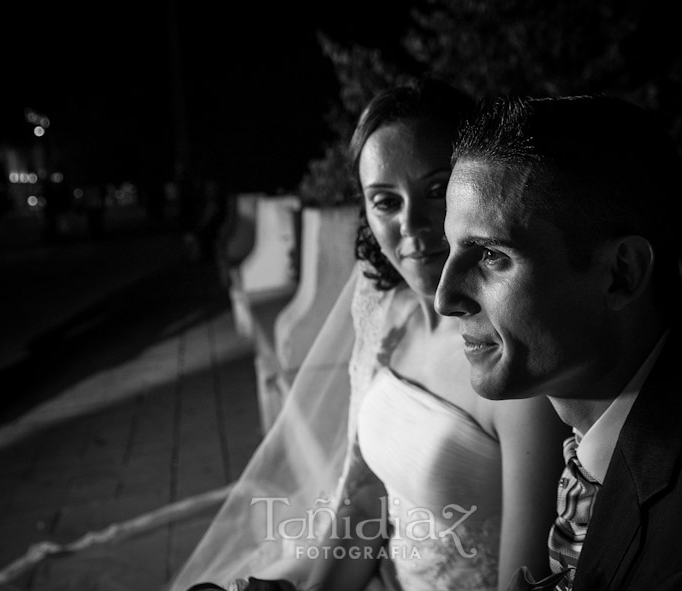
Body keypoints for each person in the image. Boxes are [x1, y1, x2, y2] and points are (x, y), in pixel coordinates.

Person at [166, 79, 568, 591]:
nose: (412, 224)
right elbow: (365, 498)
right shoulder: (390, 318)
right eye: (385, 202)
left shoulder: (515, 364)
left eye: (437, 191)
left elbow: (524, 582)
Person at [435, 94, 682, 591]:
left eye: (491, 255)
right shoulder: (624, 417)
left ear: (621, 275)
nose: (445, 298)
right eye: (452, 249)